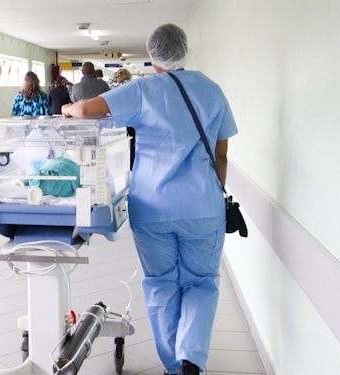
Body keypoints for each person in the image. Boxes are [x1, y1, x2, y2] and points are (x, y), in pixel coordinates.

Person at [62, 23, 238, 375]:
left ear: (154, 57)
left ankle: (174, 366)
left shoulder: (143, 89)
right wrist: (210, 196)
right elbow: (221, 157)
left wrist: (68, 111)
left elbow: (84, 111)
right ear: (184, 51)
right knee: (201, 282)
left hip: (153, 207)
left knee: (161, 283)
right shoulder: (213, 91)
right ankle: (191, 359)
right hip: (203, 208)